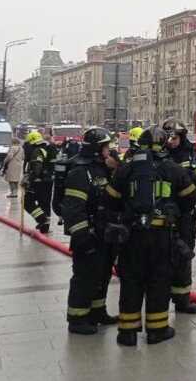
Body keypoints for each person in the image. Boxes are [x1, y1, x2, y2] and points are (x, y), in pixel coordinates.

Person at [108, 126, 196, 346]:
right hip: (161, 235)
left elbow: (110, 199)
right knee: (159, 280)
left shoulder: (126, 169)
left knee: (131, 280)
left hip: (131, 236)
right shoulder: (173, 169)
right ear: (164, 145)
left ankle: (127, 333)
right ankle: (157, 330)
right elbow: (190, 200)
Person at [61, 128, 119, 335]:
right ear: (96, 149)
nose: (108, 151)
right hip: (88, 235)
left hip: (104, 234)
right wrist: (82, 236)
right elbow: (73, 208)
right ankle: (77, 319)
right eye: (105, 147)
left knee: (102, 276)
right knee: (84, 277)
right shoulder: (80, 171)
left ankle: (97, 312)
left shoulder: (101, 168)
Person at [162, 117, 196, 315]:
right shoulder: (159, 156)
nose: (172, 142)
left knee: (184, 256)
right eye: (169, 138)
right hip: (163, 216)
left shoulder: (191, 156)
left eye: (175, 138)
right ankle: (160, 297)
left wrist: (188, 177)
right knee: (162, 257)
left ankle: (182, 300)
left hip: (185, 216)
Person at [21, 130, 57, 233]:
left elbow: (37, 168)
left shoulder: (37, 151)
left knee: (26, 202)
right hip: (49, 181)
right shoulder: (49, 148)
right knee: (45, 204)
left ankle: (41, 219)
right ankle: (45, 228)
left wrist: (28, 180)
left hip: (38, 182)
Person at [53, 139, 81, 226]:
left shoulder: (64, 150)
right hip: (67, 180)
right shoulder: (78, 154)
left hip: (63, 180)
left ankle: (61, 216)